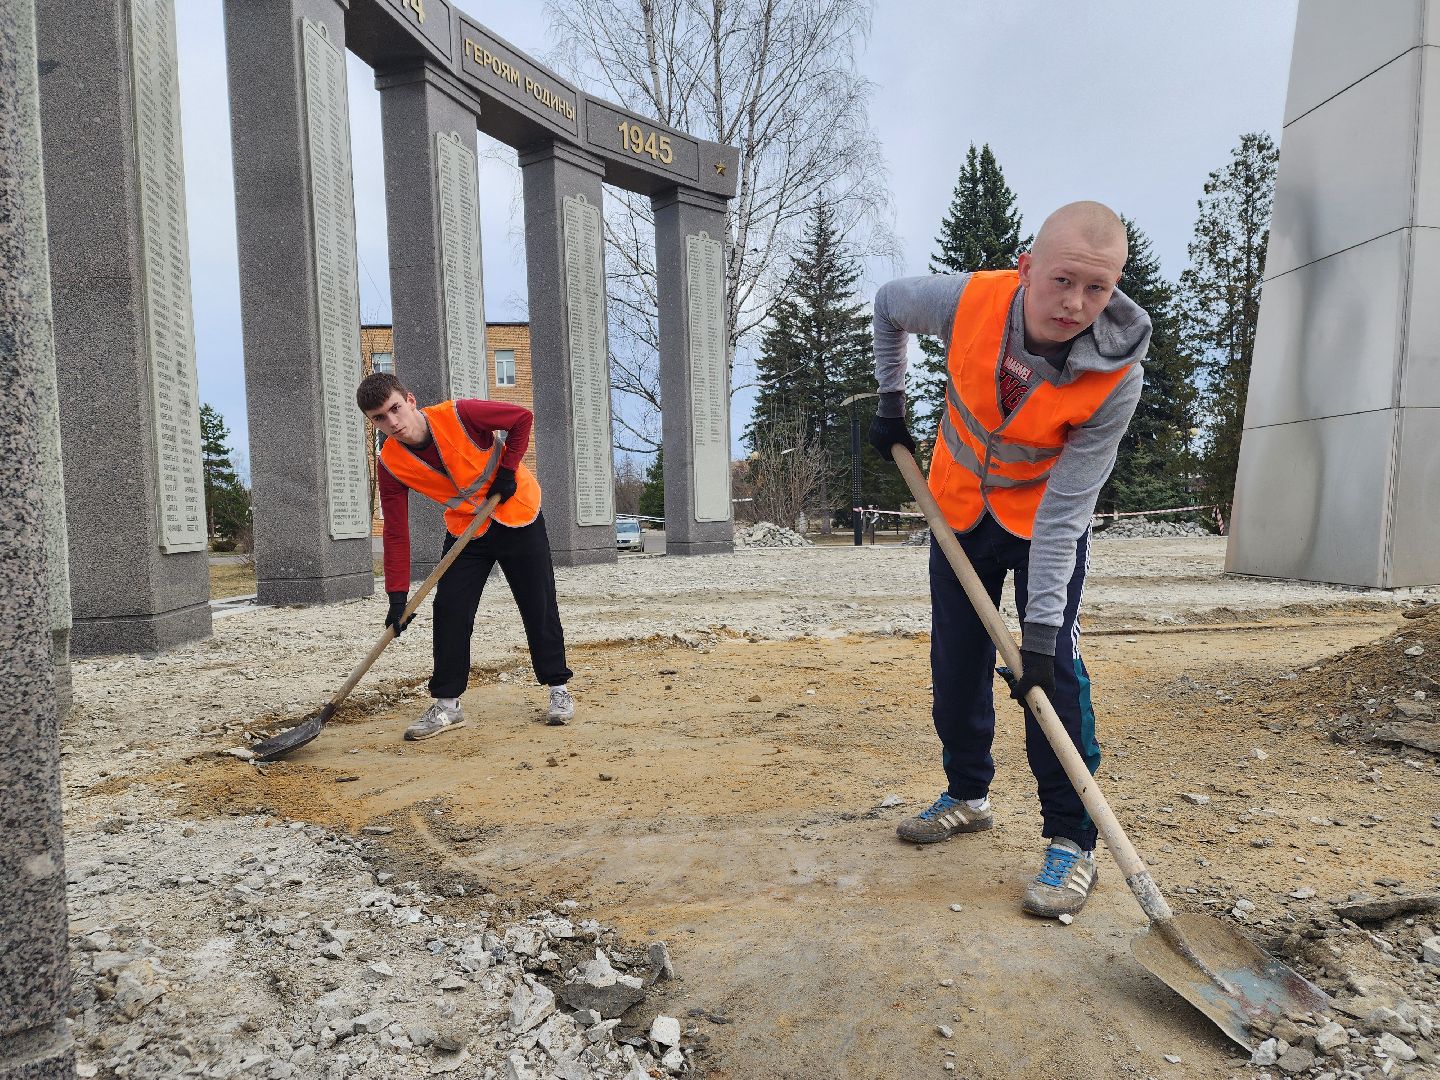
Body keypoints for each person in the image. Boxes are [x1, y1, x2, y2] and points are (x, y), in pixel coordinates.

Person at [868, 202, 1150, 919]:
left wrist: (1043, 637)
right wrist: (891, 399)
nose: (1078, 304)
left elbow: (1066, 512)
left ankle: (1071, 841)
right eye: (1062, 281)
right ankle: (968, 795)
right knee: (955, 666)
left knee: (1050, 677)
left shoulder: (1116, 373)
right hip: (956, 507)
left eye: (1099, 288)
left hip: (1042, 525)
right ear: (1026, 269)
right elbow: (887, 304)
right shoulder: (968, 301)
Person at [356, 372, 574, 740]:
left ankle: (558, 688)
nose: (392, 422)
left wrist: (507, 472)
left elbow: (522, 419)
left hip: (516, 509)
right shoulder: (390, 462)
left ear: (410, 400)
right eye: (379, 417)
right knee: (450, 608)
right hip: (467, 527)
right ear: (372, 421)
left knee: (537, 601)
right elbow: (395, 531)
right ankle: (446, 704)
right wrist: (396, 597)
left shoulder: (460, 414)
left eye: (395, 409)